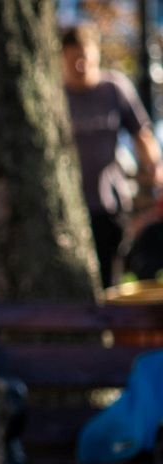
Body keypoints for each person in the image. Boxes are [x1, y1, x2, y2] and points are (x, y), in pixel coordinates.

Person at [62, 23, 162, 287]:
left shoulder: (114, 88)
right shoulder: (57, 95)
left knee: (110, 276)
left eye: (86, 57)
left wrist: (154, 168)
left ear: (96, 54)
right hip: (70, 203)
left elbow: (141, 134)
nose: (81, 65)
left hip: (109, 201)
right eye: (74, 59)